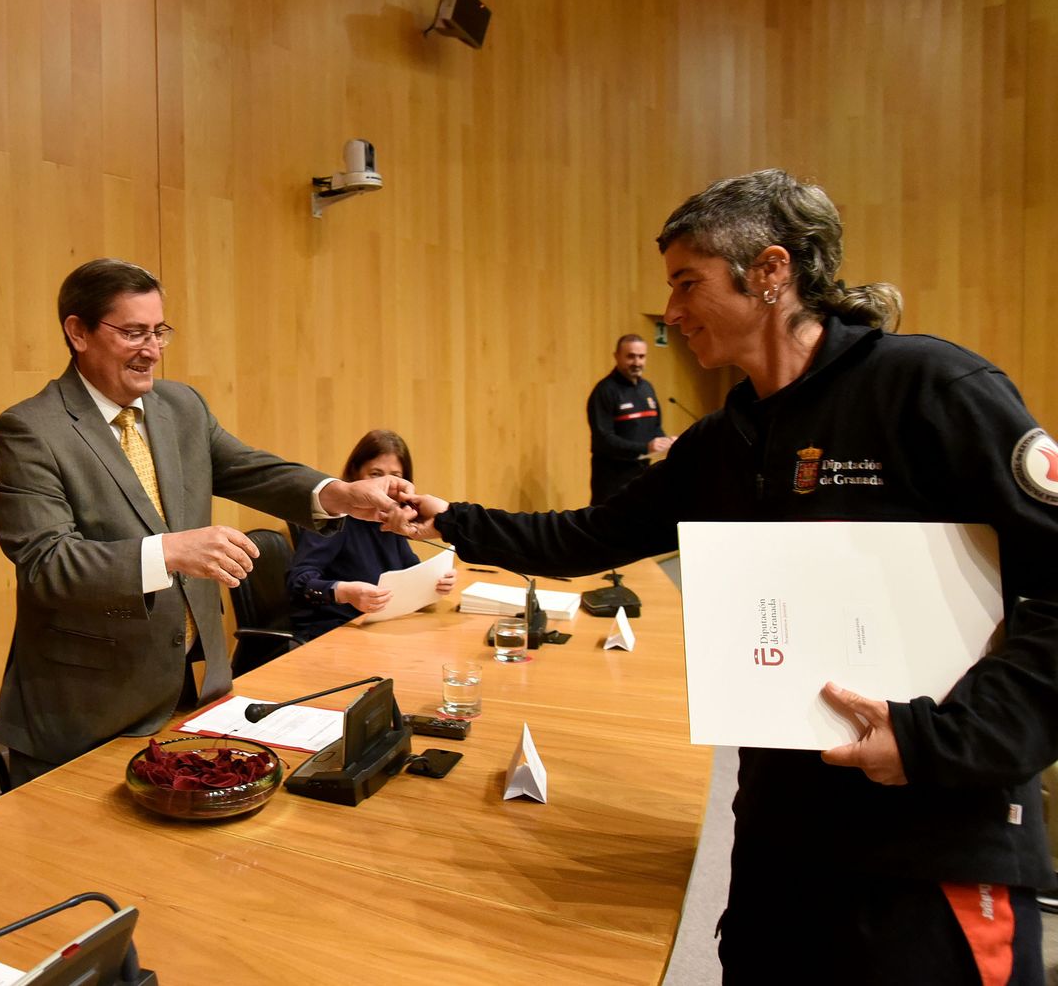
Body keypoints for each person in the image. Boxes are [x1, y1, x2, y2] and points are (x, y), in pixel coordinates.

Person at [388, 169, 1058, 984]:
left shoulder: (930, 389)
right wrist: (449, 518)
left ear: (770, 272)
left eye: (686, 282)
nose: (669, 312)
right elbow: (592, 535)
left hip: (930, 844)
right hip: (781, 839)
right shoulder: (721, 440)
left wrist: (939, 741)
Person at [0, 258, 413, 784]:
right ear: (78, 332)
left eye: (159, 331)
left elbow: (250, 468)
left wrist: (339, 493)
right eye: (133, 332)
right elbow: (45, 564)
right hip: (85, 711)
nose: (152, 350)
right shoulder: (32, 429)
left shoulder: (180, 406)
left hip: (190, 694)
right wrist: (168, 552)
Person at [286, 429, 456, 639]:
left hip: (378, 628)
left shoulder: (392, 519)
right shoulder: (334, 517)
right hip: (334, 631)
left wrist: (436, 582)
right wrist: (343, 591)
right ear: (355, 473)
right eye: (375, 475)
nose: (386, 486)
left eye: (395, 477)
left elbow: (408, 572)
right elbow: (298, 582)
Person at [587, 334, 673, 502]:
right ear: (616, 356)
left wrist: (666, 442)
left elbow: (655, 427)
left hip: (643, 476)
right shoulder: (605, 391)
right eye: (631, 356)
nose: (637, 362)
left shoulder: (647, 388)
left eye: (641, 356)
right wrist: (645, 447)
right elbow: (603, 439)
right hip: (613, 480)